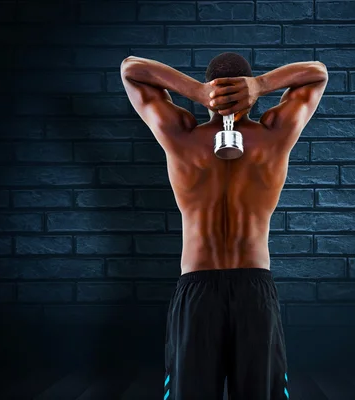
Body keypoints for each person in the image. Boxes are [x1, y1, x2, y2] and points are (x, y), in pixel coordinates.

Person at [121, 52, 328, 400]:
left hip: (198, 290)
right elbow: (317, 74)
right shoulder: (274, 137)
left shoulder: (181, 136)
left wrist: (199, 92)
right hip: (253, 291)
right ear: (248, 98)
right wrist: (259, 87)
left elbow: (131, 69)